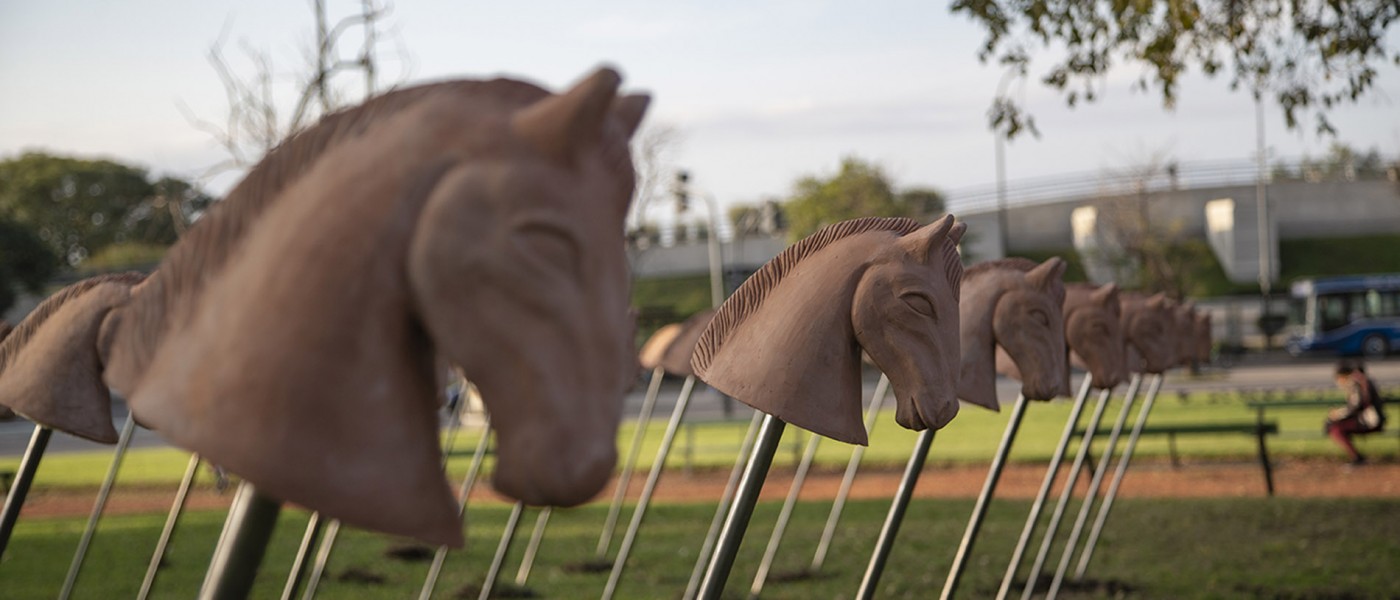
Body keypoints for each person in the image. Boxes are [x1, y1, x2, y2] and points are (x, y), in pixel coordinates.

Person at [1325, 360, 1386, 465]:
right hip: (1370, 419)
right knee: (1334, 426)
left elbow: (1355, 407)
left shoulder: (1357, 384)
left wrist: (1337, 415)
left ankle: (1357, 458)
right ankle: (1357, 457)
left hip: (1369, 421)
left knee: (1336, 429)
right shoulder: (1362, 382)